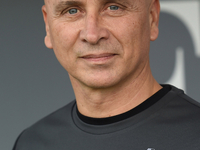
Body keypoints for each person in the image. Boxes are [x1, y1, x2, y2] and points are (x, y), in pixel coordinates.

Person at [13, 0, 200, 149]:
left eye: (113, 7)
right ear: (47, 26)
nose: (92, 34)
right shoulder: (31, 143)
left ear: (152, 18)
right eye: (71, 10)